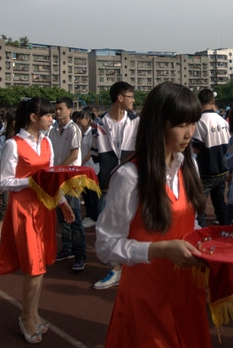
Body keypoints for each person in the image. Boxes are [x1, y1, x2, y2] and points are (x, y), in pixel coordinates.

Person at [95, 82, 210, 347]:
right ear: (158, 124)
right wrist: (160, 249)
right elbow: (105, 246)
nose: (189, 133)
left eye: (193, 123)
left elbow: (190, 223)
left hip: (186, 290)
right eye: (181, 124)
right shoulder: (130, 176)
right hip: (147, 295)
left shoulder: (187, 166)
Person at [0, 97, 75, 344]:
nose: (53, 118)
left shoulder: (47, 142)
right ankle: (25, 317)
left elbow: (50, 178)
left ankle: (33, 313)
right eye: (48, 115)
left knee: (41, 266)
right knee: (33, 266)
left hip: (44, 208)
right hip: (23, 209)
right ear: (33, 117)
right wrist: (29, 181)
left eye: (53, 115)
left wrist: (62, 203)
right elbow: (3, 182)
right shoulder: (13, 144)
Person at [91, 82, 140, 291]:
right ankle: (116, 268)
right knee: (107, 226)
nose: (133, 100)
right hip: (107, 182)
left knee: (133, 224)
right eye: (131, 96)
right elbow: (94, 153)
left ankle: (126, 267)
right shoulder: (99, 123)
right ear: (120, 98)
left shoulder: (136, 121)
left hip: (132, 181)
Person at [49, 97, 85, 271]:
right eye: (56, 108)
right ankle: (67, 248)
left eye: (61, 108)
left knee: (74, 217)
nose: (57, 112)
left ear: (70, 110)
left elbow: (74, 154)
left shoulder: (73, 129)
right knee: (62, 217)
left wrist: (58, 169)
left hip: (70, 179)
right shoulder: (53, 130)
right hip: (57, 177)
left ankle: (80, 255)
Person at [192, 88, 231, 226]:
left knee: (200, 207)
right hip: (222, 169)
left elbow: (196, 148)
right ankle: (226, 230)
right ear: (213, 101)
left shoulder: (200, 121)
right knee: (220, 204)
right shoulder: (223, 121)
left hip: (207, 171)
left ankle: (201, 233)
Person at [74, 108, 100, 229]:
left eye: (81, 118)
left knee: (92, 194)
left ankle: (94, 217)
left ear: (88, 120)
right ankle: (89, 215)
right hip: (83, 168)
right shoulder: (79, 132)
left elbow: (91, 151)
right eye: (78, 118)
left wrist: (80, 162)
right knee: (85, 194)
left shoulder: (92, 133)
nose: (79, 120)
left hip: (91, 167)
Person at [0, 109, 16, 248]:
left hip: (21, 178)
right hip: (9, 177)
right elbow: (0, 160)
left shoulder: (24, 137)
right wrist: (1, 181)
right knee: (6, 205)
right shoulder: (4, 139)